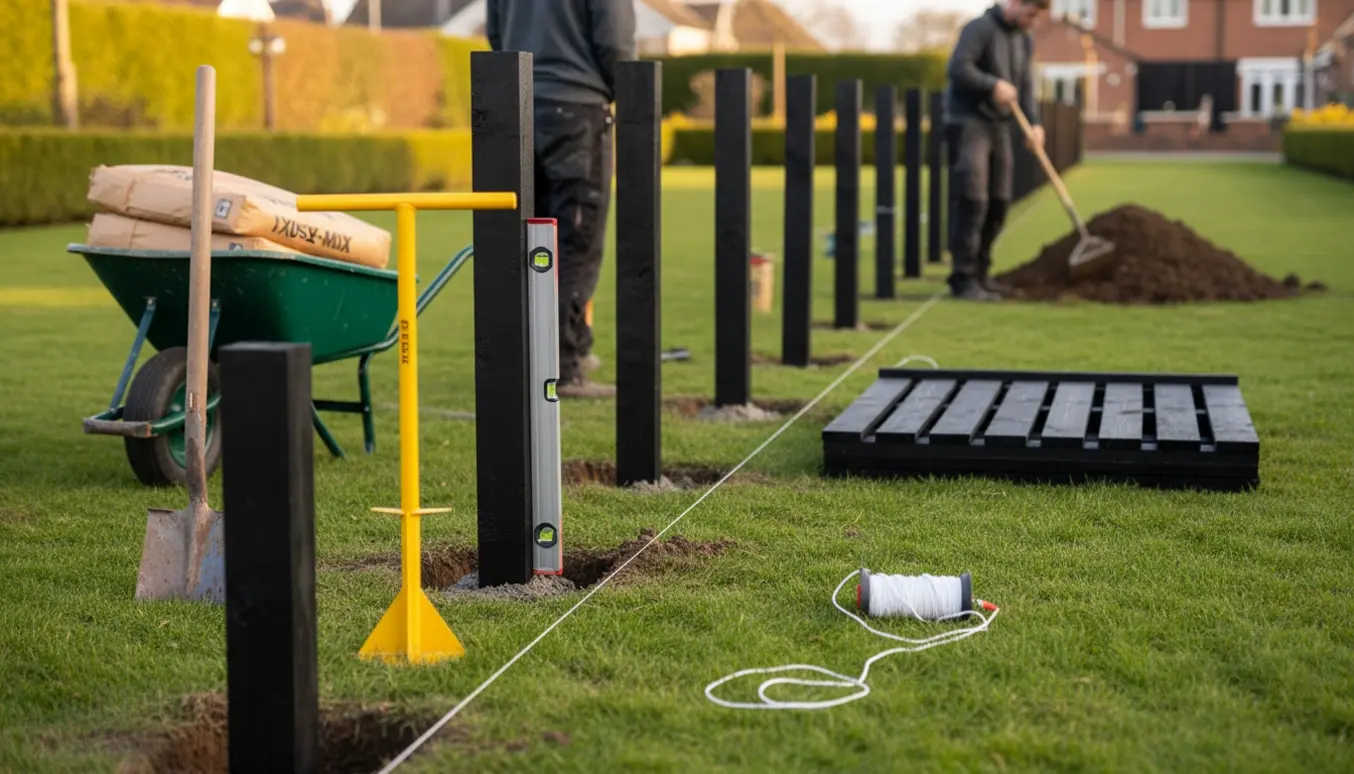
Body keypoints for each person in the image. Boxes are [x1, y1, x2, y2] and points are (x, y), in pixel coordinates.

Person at [486, 0, 636, 397]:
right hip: (577, 108)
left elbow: (496, 34)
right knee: (576, 241)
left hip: (517, 105)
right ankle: (562, 368)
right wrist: (626, 94)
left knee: (527, 240)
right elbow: (615, 40)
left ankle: (557, 351)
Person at [944, 0, 1049, 301]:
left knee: (999, 201)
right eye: (1031, 15)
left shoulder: (1024, 39)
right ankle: (962, 279)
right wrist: (992, 85)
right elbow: (958, 68)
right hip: (969, 122)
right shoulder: (979, 28)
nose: (1033, 23)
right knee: (973, 198)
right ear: (1016, 4)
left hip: (999, 125)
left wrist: (1035, 123)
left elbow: (1026, 84)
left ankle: (981, 274)